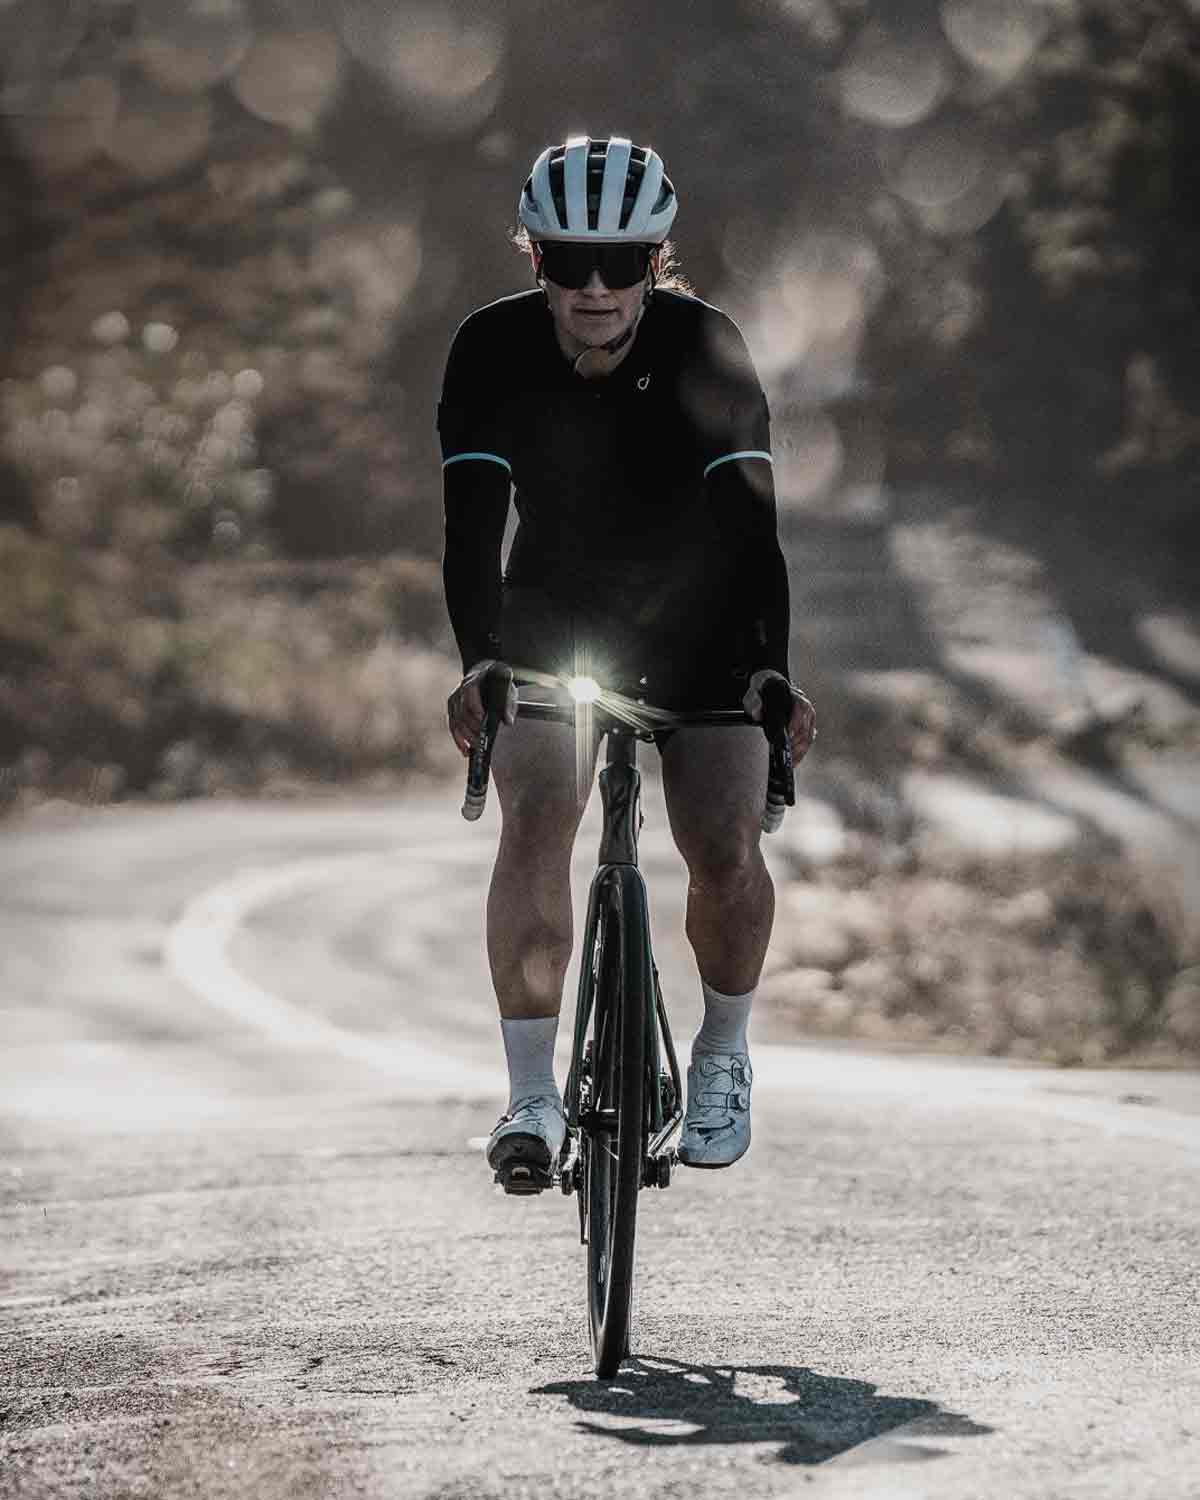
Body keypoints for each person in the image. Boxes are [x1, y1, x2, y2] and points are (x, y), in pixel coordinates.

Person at [438, 136, 816, 1190]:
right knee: (536, 818)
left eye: (621, 262)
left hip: (702, 622)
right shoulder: (490, 349)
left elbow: (753, 532)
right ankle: (531, 1094)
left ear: (656, 261)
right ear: (536, 259)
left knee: (724, 846)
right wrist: (479, 661)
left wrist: (769, 668)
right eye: (570, 262)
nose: (595, 287)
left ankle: (723, 1052)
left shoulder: (707, 347)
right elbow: (471, 531)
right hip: (552, 619)